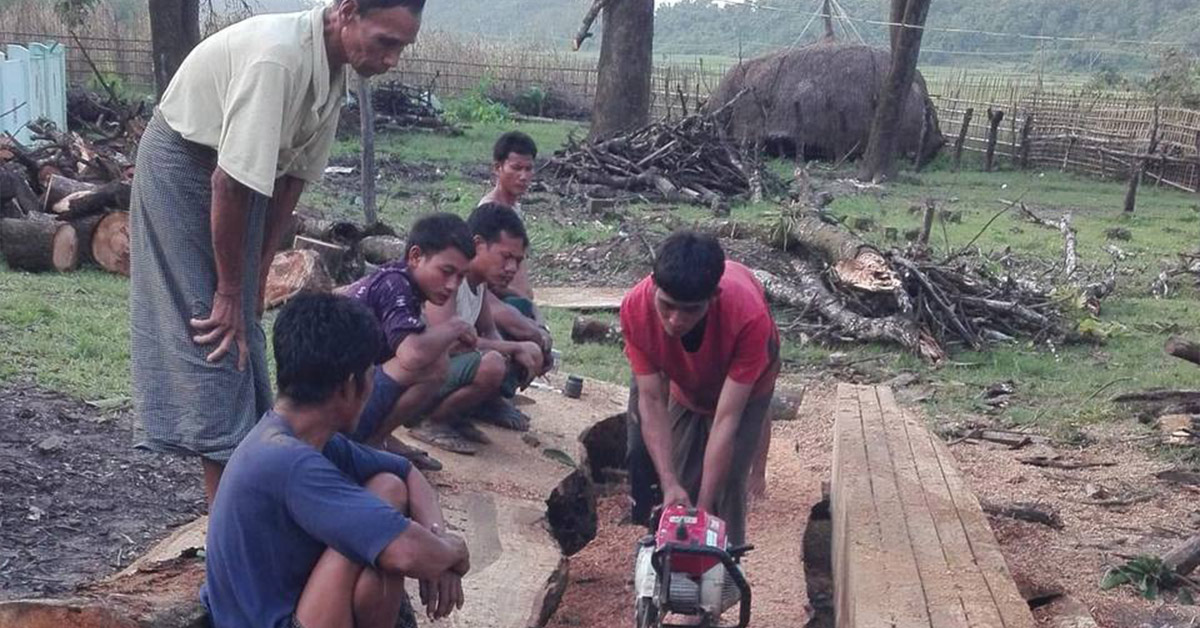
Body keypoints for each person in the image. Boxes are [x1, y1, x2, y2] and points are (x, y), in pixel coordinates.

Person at [129, 0, 426, 505]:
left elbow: (288, 185)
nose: (392, 59)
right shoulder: (279, 58)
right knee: (215, 331)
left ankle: (258, 482)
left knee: (245, 325)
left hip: (239, 183)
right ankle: (227, 525)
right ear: (348, 11)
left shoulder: (333, 73)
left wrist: (257, 273)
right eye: (386, 42)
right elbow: (228, 183)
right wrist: (228, 290)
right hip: (184, 167)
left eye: (402, 46)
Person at [201, 292, 469, 628]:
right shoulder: (289, 462)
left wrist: (436, 540)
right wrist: (454, 552)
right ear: (348, 387)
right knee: (379, 533)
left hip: (291, 606)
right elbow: (406, 552)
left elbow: (406, 471)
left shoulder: (304, 438)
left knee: (387, 488)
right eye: (372, 374)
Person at [621, 231, 780, 547]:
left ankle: (724, 571)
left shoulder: (749, 317)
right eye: (667, 306)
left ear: (714, 297)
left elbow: (726, 419)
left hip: (745, 385)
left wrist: (705, 512)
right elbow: (652, 400)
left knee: (727, 484)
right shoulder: (634, 308)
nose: (676, 320)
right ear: (653, 284)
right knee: (678, 480)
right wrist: (669, 483)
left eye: (690, 310)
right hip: (685, 380)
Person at [340, 213, 478, 471]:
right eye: (446, 271)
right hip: (335, 404)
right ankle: (372, 442)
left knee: (432, 355)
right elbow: (412, 356)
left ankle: (378, 439)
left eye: (460, 277)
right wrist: (455, 326)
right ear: (415, 257)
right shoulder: (395, 285)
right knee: (433, 365)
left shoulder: (402, 282)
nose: (452, 285)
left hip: (343, 395)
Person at [414, 203, 548, 455]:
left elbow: (489, 330)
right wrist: (512, 348)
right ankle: (432, 422)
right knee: (493, 363)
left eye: (517, 261)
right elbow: (447, 343)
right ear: (478, 244)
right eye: (505, 257)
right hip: (423, 374)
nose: (511, 268)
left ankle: (470, 411)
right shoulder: (454, 280)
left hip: (446, 368)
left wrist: (516, 352)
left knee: (504, 355)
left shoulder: (479, 285)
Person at [477, 132, 553, 357]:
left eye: (528, 169)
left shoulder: (513, 210)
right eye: (516, 168)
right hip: (498, 306)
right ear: (497, 168)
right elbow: (488, 285)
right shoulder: (490, 213)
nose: (523, 176)